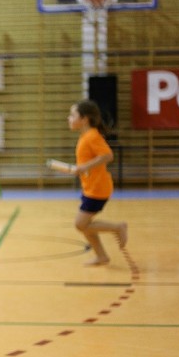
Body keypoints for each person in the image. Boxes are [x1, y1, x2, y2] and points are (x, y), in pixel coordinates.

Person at [49, 100, 128, 266]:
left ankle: (118, 227)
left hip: (98, 189)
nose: (68, 118)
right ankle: (101, 256)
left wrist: (84, 166)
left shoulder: (92, 136)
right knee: (85, 225)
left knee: (80, 224)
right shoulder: (86, 136)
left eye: (72, 115)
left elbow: (107, 155)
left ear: (84, 119)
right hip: (90, 188)